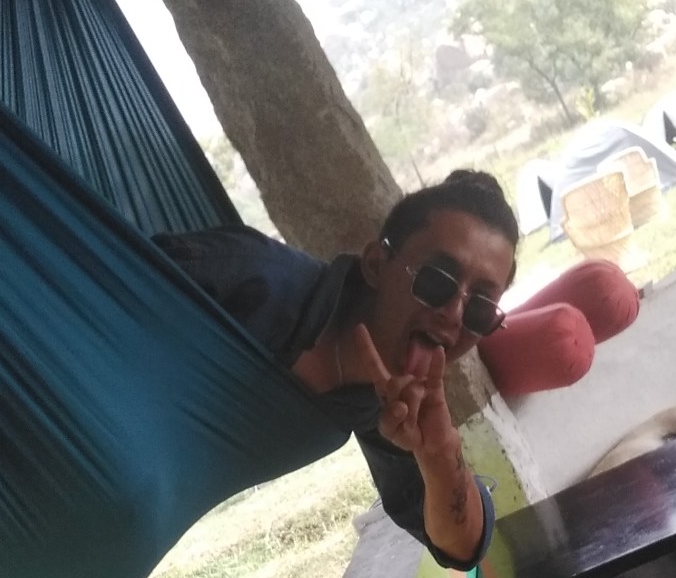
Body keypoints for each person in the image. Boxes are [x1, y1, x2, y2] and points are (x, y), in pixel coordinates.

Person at [152, 169, 519, 570]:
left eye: (481, 307)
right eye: (436, 280)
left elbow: (460, 547)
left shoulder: (385, 401)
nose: (454, 314)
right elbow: (106, 289)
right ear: (376, 264)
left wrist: (439, 452)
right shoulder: (250, 277)